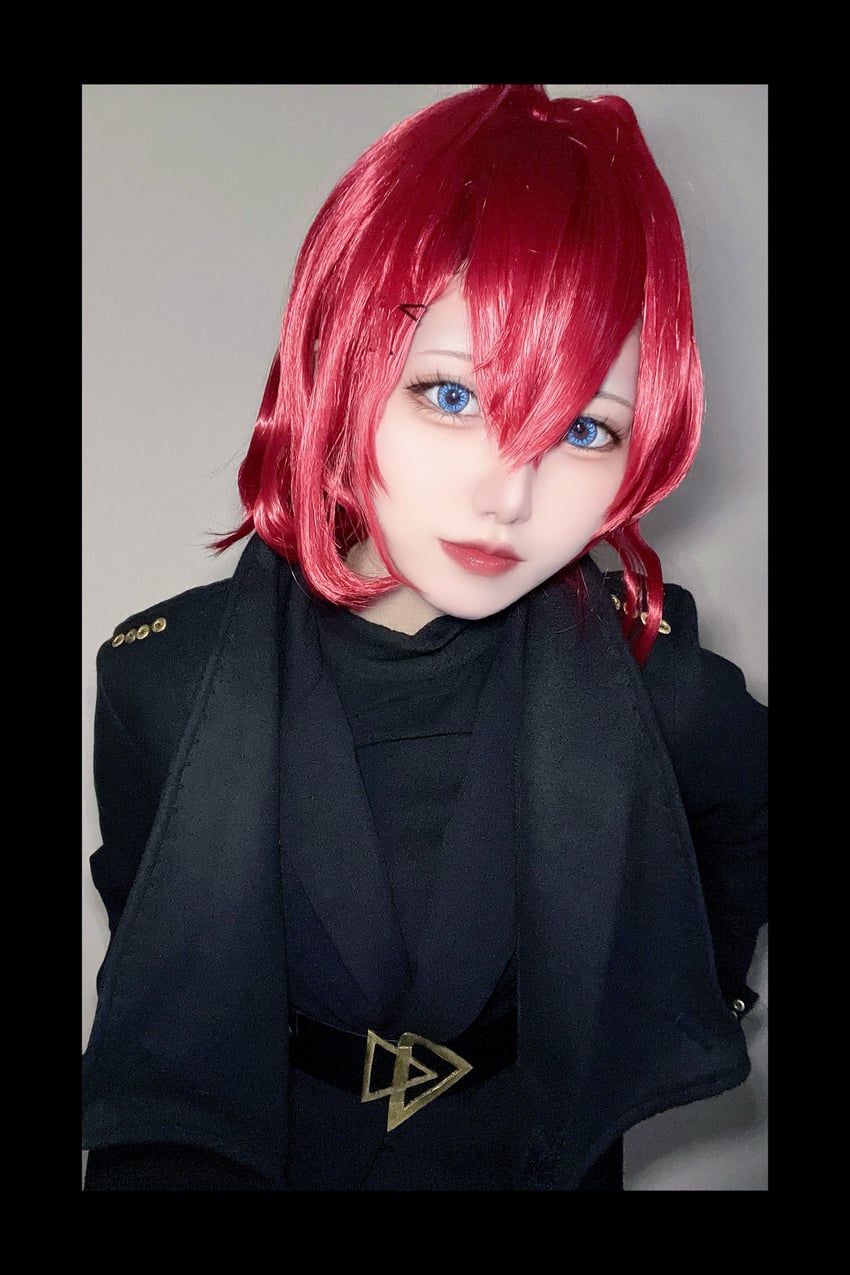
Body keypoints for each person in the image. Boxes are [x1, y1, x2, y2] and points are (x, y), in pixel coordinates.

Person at [82, 83, 767, 1191]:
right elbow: (152, 929)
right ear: (343, 363)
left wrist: (681, 989)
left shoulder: (660, 689)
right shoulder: (158, 676)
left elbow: (747, 825)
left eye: (584, 428)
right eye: (453, 397)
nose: (509, 495)